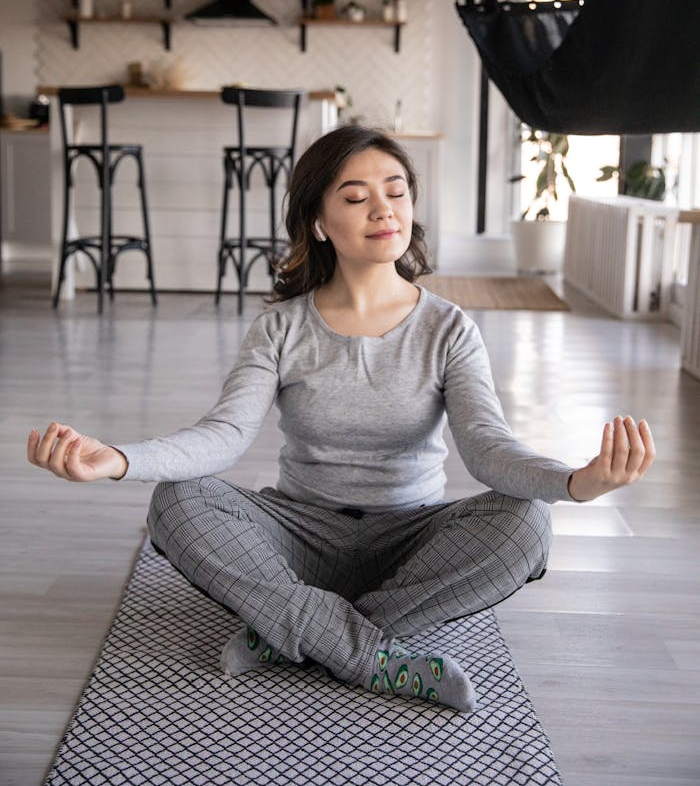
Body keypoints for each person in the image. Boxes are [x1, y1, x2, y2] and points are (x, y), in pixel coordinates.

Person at [27, 125, 655, 713]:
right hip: (297, 535)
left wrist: (575, 482)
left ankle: (291, 630)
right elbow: (222, 437)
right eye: (356, 197)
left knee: (525, 521)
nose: (384, 210)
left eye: (396, 192)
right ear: (320, 223)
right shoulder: (280, 326)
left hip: (410, 540)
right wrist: (120, 460)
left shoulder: (449, 328)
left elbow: (487, 448)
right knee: (178, 501)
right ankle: (371, 653)